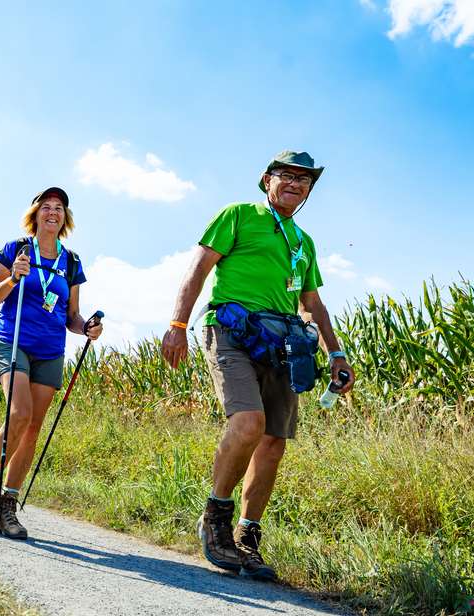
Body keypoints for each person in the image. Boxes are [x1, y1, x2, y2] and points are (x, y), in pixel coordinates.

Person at [161, 150, 356, 580]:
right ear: (267, 179)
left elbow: (311, 303)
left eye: (304, 179)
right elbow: (198, 268)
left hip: (283, 344)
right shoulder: (238, 215)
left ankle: (247, 535)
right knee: (248, 422)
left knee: (273, 441)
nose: (295, 183)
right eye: (287, 175)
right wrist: (177, 324)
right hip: (231, 331)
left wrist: (335, 354)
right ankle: (216, 518)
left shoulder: (303, 242)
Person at [0, 186, 103, 539]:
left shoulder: (71, 262)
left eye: (59, 207)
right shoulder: (16, 250)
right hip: (13, 340)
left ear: (65, 217)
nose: (53, 212)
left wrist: (87, 328)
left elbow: (72, 316)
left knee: (32, 427)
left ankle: (8, 504)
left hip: (50, 350)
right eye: (46, 206)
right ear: (35, 214)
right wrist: (13, 278)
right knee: (18, 414)